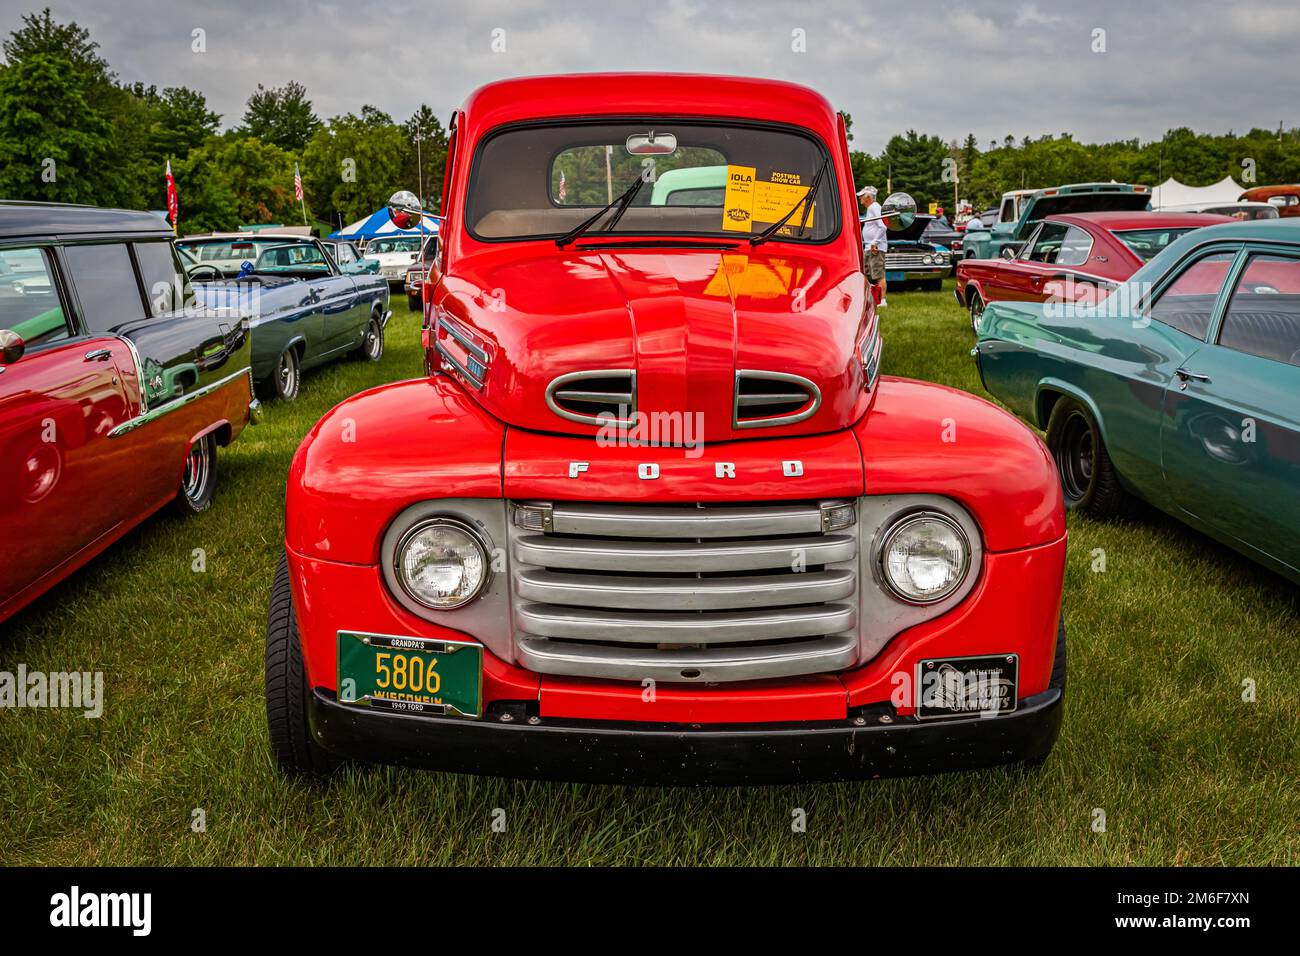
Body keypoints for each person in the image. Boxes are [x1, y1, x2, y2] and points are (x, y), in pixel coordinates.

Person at [858, 185, 888, 307]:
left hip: (875, 247)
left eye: (861, 196)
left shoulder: (875, 208)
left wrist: (874, 242)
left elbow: (883, 226)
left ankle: (882, 301)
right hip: (870, 247)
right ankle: (868, 298)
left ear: (868, 197)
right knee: (866, 273)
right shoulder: (872, 208)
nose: (860, 198)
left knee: (878, 274)